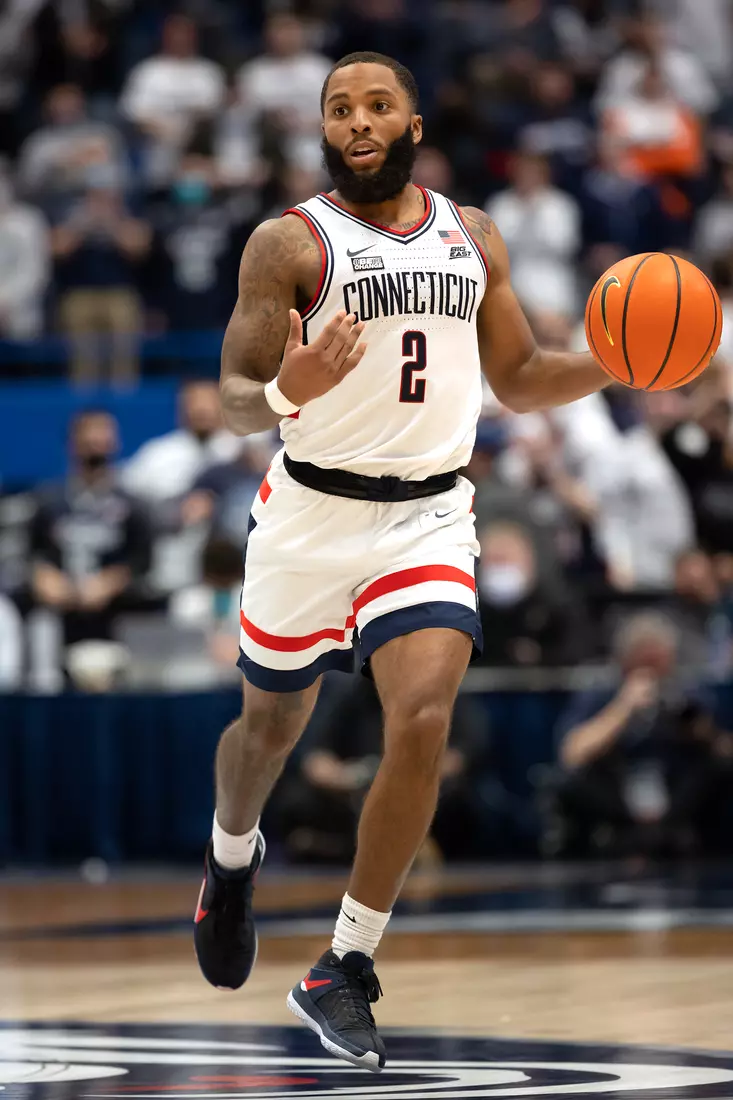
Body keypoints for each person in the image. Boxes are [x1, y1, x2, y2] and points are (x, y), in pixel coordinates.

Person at [194, 50, 609, 1072]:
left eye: (378, 104)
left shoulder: (474, 235)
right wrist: (283, 388)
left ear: (413, 125)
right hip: (309, 514)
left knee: (422, 718)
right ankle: (230, 856)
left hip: (426, 514)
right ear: (323, 130)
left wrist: (615, 362)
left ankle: (344, 962)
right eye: (339, 108)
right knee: (266, 732)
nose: (357, 121)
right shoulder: (287, 242)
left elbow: (519, 376)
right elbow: (235, 396)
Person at [554, 612, 733, 859]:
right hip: (618, 784)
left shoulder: (685, 688)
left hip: (672, 785)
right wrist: (623, 707)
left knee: (718, 768)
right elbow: (572, 754)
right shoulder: (600, 690)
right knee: (571, 781)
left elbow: (722, 747)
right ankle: (626, 835)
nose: (654, 672)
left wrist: (697, 729)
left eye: (660, 661)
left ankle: (680, 835)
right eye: (645, 661)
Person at [29, 409, 152, 654]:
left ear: (115, 442)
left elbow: (144, 559)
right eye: (88, 435)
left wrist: (113, 580)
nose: (95, 442)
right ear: (72, 443)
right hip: (59, 607)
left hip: (118, 610)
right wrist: (42, 576)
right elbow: (32, 552)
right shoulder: (49, 501)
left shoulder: (133, 505)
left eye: (102, 434)